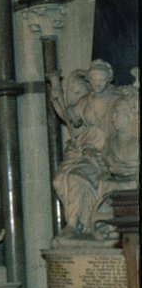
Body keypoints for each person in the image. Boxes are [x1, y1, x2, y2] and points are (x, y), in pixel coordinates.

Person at [47, 60, 139, 237]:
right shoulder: (85, 101)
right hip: (83, 150)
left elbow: (131, 116)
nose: (97, 84)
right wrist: (56, 96)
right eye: (94, 80)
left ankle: (75, 224)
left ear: (109, 79)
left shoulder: (117, 98)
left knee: (75, 178)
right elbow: (69, 117)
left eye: (101, 80)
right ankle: (78, 223)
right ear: (88, 80)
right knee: (58, 181)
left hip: (106, 154)